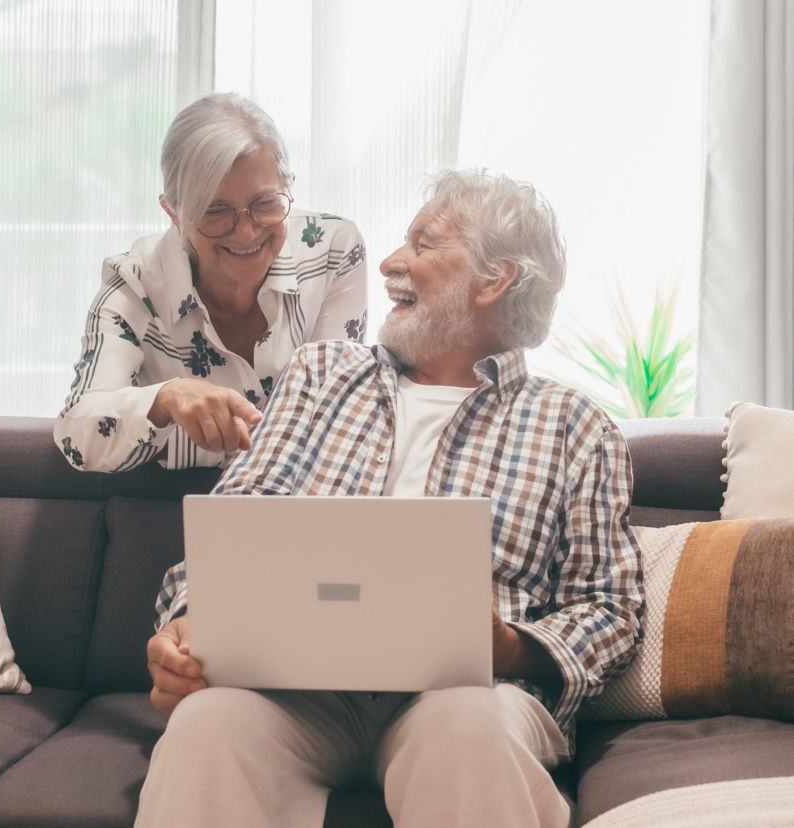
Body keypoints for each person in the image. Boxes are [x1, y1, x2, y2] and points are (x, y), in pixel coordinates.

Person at [137, 170, 644, 827]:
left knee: (466, 730)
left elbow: (611, 606)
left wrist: (510, 646)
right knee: (207, 724)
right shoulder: (319, 376)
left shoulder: (578, 427)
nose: (389, 263)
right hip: (291, 690)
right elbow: (235, 527)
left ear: (493, 282)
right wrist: (188, 625)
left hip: (469, 693)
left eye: (423, 245)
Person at [55, 93, 368, 472]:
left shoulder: (333, 250)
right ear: (173, 212)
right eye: (215, 211)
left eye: (266, 202)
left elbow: (335, 418)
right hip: (176, 508)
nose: (246, 232)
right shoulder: (134, 285)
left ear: (289, 186)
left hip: (302, 501)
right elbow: (78, 436)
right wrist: (166, 399)